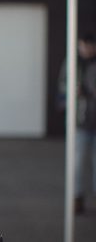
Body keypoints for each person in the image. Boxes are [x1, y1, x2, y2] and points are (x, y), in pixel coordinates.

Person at [58, 33, 96, 214]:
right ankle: (77, 198)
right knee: (77, 162)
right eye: (83, 45)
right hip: (80, 121)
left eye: (89, 45)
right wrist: (72, 91)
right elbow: (63, 84)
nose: (86, 49)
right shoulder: (73, 62)